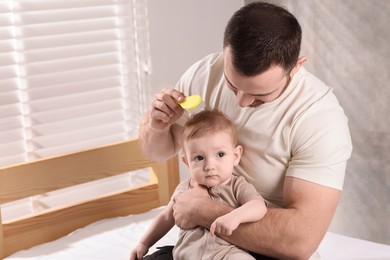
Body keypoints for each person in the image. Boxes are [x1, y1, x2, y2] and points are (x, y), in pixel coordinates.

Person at [139, 2, 352, 259]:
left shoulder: (319, 118)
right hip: (201, 244)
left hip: (269, 251)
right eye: (232, 85)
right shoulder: (203, 75)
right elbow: (157, 152)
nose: (241, 102)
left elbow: (299, 241)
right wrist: (156, 126)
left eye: (259, 95)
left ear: (296, 66)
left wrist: (201, 210)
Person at [131, 109, 267, 260]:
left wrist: (235, 217)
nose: (209, 165)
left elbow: (258, 205)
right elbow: (165, 218)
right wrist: (144, 243)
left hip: (226, 254)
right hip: (186, 255)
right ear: (187, 162)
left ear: (235, 156)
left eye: (220, 155)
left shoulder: (237, 185)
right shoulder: (184, 189)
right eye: (199, 158)